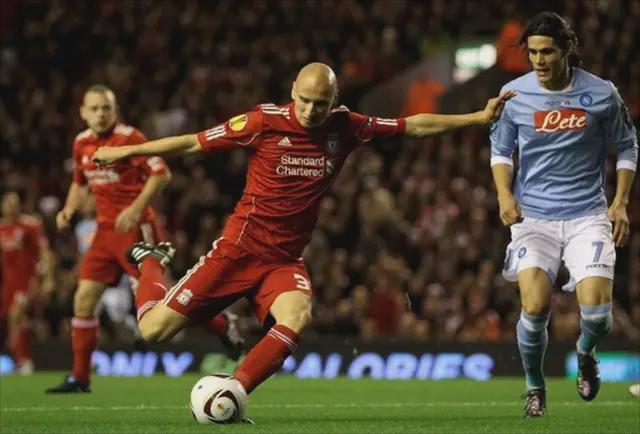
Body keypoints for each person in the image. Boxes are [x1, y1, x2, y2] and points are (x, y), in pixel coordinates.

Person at [93, 62, 513, 418]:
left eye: (321, 103)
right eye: (306, 100)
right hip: (238, 251)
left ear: (335, 100)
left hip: (284, 259)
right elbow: (191, 143)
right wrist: (127, 153)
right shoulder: (262, 122)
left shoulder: (346, 126)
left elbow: (413, 125)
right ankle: (150, 260)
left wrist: (476, 118)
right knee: (153, 330)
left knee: (297, 317)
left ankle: (233, 393)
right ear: (293, 91)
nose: (311, 111)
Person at [46, 85, 241, 393]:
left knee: (163, 305)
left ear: (115, 111)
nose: (100, 114)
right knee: (83, 300)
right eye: (94, 108)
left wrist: (135, 209)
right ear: (83, 112)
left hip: (137, 231)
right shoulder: (81, 143)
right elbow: (79, 182)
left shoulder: (130, 138)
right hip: (104, 233)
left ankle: (221, 324)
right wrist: (68, 209)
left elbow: (161, 174)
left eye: (106, 108)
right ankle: (80, 378)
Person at [490, 12, 637, 417]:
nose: (539, 60)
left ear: (568, 49)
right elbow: (501, 151)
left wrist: (620, 202)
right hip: (533, 219)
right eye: (533, 52)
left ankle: (586, 353)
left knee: (598, 315)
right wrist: (504, 194)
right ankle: (534, 387)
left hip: (587, 216)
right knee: (535, 307)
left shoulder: (602, 94)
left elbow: (628, 145)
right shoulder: (514, 95)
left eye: (548, 52)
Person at [0, 191, 55, 374]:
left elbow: (45, 252)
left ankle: (25, 361)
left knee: (17, 315)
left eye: (14, 202)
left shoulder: (30, 225)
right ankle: (20, 358)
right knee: (14, 320)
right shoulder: (2, 228)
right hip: (7, 283)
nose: (11, 206)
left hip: (27, 280)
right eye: (8, 202)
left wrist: (48, 278)